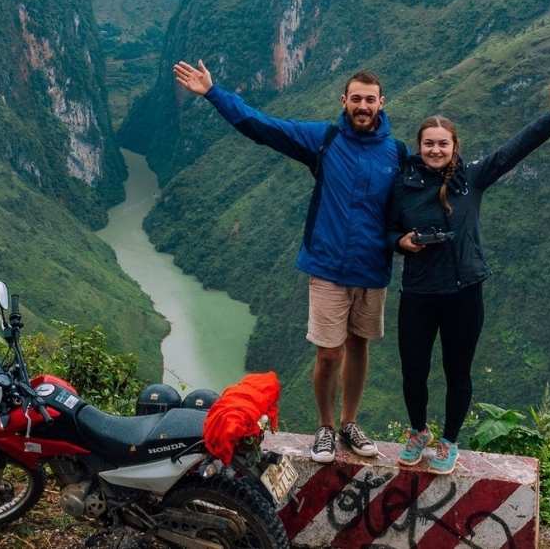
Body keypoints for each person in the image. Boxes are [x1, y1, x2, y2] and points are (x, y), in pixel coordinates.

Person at [172, 59, 405, 463]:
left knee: (359, 345)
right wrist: (213, 93)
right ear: (344, 101)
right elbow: (263, 127)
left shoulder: (397, 153)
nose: (363, 106)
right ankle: (326, 428)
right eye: (356, 99)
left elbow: (424, 194)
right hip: (328, 267)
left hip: (372, 269)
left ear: (382, 103)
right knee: (329, 352)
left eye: (370, 100)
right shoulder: (325, 140)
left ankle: (351, 422)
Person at [389, 78, 550, 474]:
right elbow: (382, 229)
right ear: (419, 146)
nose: (435, 149)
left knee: (458, 370)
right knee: (413, 369)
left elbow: (512, 152)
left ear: (454, 146)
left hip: (464, 291)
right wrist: (400, 242)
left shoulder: (471, 179)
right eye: (429, 143)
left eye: (443, 143)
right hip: (418, 292)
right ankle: (418, 432)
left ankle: (449, 441)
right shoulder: (403, 184)